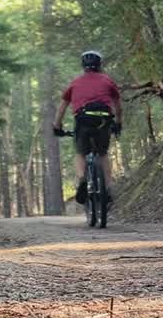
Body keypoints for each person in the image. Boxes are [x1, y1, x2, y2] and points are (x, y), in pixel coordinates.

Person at [52, 50, 122, 205]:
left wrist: (57, 126)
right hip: (103, 120)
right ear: (99, 65)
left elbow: (62, 107)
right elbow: (117, 105)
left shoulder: (75, 82)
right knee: (103, 153)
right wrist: (118, 123)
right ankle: (109, 187)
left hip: (83, 120)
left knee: (80, 152)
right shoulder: (107, 80)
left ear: (83, 66)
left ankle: (82, 178)